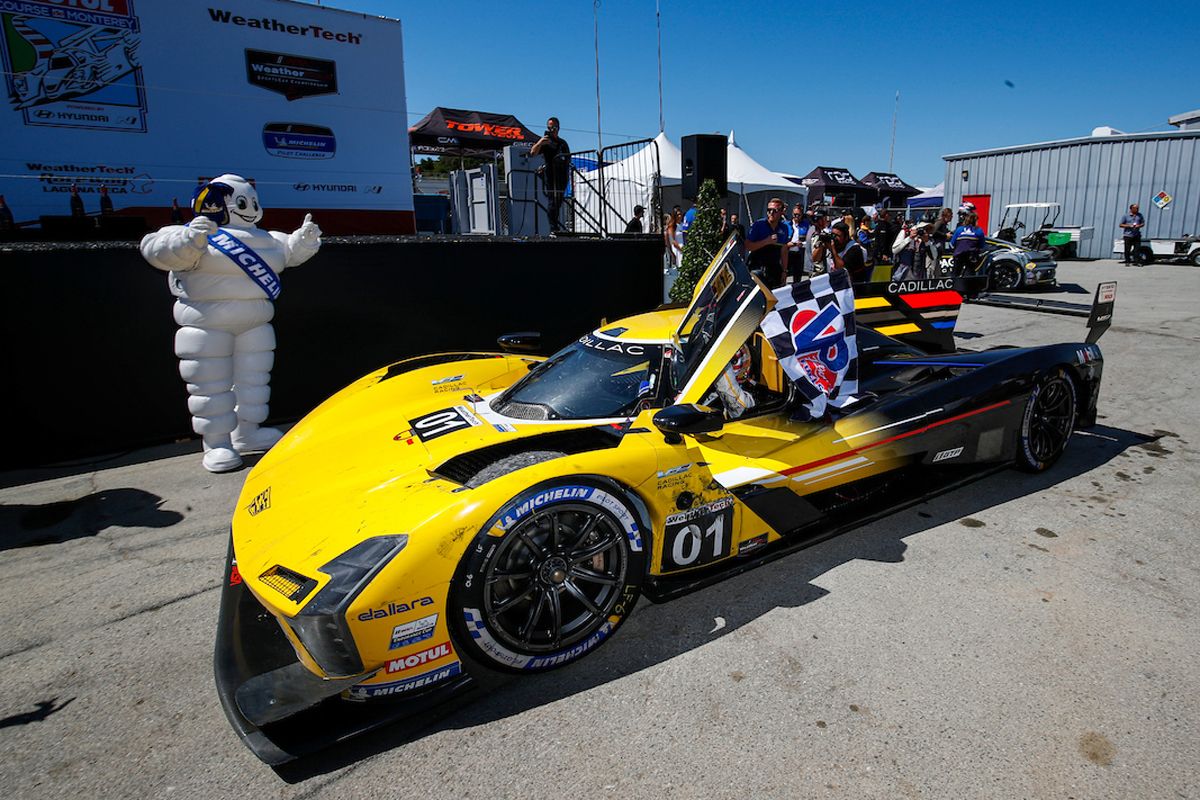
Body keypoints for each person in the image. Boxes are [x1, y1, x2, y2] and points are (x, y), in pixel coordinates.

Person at [140, 174, 322, 472]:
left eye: (252, 202)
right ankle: (217, 442)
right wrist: (189, 241)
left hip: (256, 324)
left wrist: (304, 240)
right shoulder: (191, 232)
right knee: (210, 383)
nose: (249, 208)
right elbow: (156, 249)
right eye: (242, 202)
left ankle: (247, 432)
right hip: (204, 326)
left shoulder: (266, 238)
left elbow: (289, 251)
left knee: (254, 380)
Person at [529, 116, 570, 231]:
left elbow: (567, 159)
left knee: (558, 201)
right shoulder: (545, 142)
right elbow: (532, 152)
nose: (552, 130)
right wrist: (540, 142)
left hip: (562, 175)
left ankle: (555, 224)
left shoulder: (563, 143)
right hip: (551, 176)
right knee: (552, 201)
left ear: (558, 128)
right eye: (549, 128)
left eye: (554, 128)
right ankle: (553, 227)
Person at [745, 198, 789, 288]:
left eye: (775, 210)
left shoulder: (784, 228)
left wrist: (784, 271)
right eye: (769, 210)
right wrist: (766, 241)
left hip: (774, 269)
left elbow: (784, 250)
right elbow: (747, 246)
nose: (771, 213)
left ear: (781, 212)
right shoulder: (759, 225)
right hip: (757, 267)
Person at [949, 211, 986, 277]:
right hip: (971, 255)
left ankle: (954, 285)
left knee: (955, 274)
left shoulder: (959, 229)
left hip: (959, 254)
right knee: (969, 274)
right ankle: (968, 285)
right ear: (976, 220)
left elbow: (951, 244)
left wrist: (954, 251)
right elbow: (982, 245)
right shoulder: (979, 231)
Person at [929, 207, 954, 276]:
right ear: (947, 215)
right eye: (951, 216)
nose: (952, 218)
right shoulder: (940, 221)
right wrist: (945, 235)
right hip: (935, 249)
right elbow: (933, 231)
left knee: (937, 267)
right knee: (933, 267)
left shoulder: (944, 224)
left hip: (939, 250)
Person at [805, 210, 831, 275]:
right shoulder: (816, 234)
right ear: (820, 220)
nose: (826, 221)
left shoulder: (814, 229)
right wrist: (822, 244)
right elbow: (815, 257)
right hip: (817, 271)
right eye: (825, 219)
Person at [787, 202, 809, 281]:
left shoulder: (806, 225)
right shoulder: (787, 224)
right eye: (795, 214)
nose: (796, 216)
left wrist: (802, 244)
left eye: (798, 215)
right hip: (788, 252)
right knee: (785, 273)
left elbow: (808, 238)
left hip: (799, 253)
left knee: (797, 275)